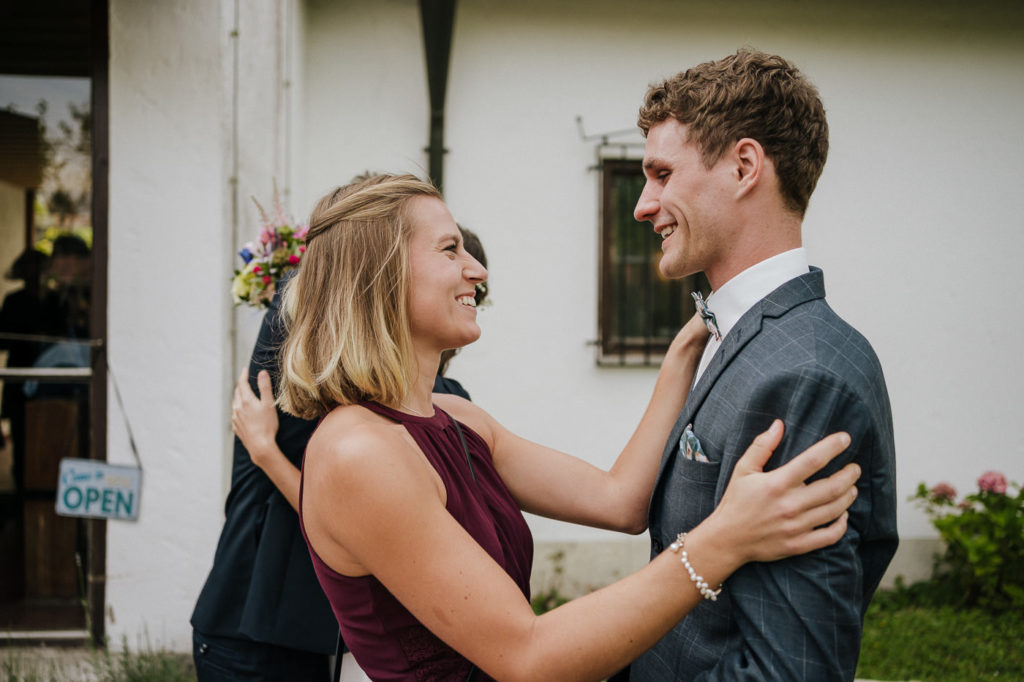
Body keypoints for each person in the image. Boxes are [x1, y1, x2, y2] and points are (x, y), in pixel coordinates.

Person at [273, 172, 861, 682]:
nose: (477, 269)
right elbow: (528, 658)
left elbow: (620, 501)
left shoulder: (458, 419)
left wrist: (686, 355)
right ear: (378, 276)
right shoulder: (359, 451)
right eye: (451, 249)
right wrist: (724, 541)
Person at [626, 49, 898, 681]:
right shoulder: (732, 334)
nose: (642, 204)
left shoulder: (803, 375)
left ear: (745, 166)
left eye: (662, 174)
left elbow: (788, 670)